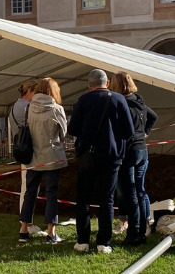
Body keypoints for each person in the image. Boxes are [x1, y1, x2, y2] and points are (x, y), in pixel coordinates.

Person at [67, 69, 134, 254]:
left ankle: (82, 241)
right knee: (107, 199)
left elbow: (72, 129)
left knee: (83, 199)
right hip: (112, 157)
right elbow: (129, 131)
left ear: (89, 85)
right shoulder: (120, 100)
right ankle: (104, 243)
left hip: (87, 155)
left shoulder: (84, 100)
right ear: (107, 83)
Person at [18, 78, 68, 244]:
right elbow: (63, 134)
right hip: (52, 158)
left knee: (29, 194)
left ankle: (23, 230)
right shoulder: (57, 109)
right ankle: (51, 233)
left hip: (33, 158)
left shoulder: (28, 108)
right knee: (51, 194)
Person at [110, 71, 157, 245]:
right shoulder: (139, 101)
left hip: (129, 152)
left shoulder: (122, 104)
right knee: (140, 190)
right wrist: (144, 133)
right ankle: (144, 227)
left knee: (131, 194)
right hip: (142, 150)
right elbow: (153, 116)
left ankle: (134, 233)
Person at [10, 80, 37, 231]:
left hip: (21, 150)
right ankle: (27, 223)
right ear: (30, 91)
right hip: (30, 151)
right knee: (30, 188)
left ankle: (25, 221)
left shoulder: (14, 107)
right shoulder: (29, 107)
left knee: (26, 186)